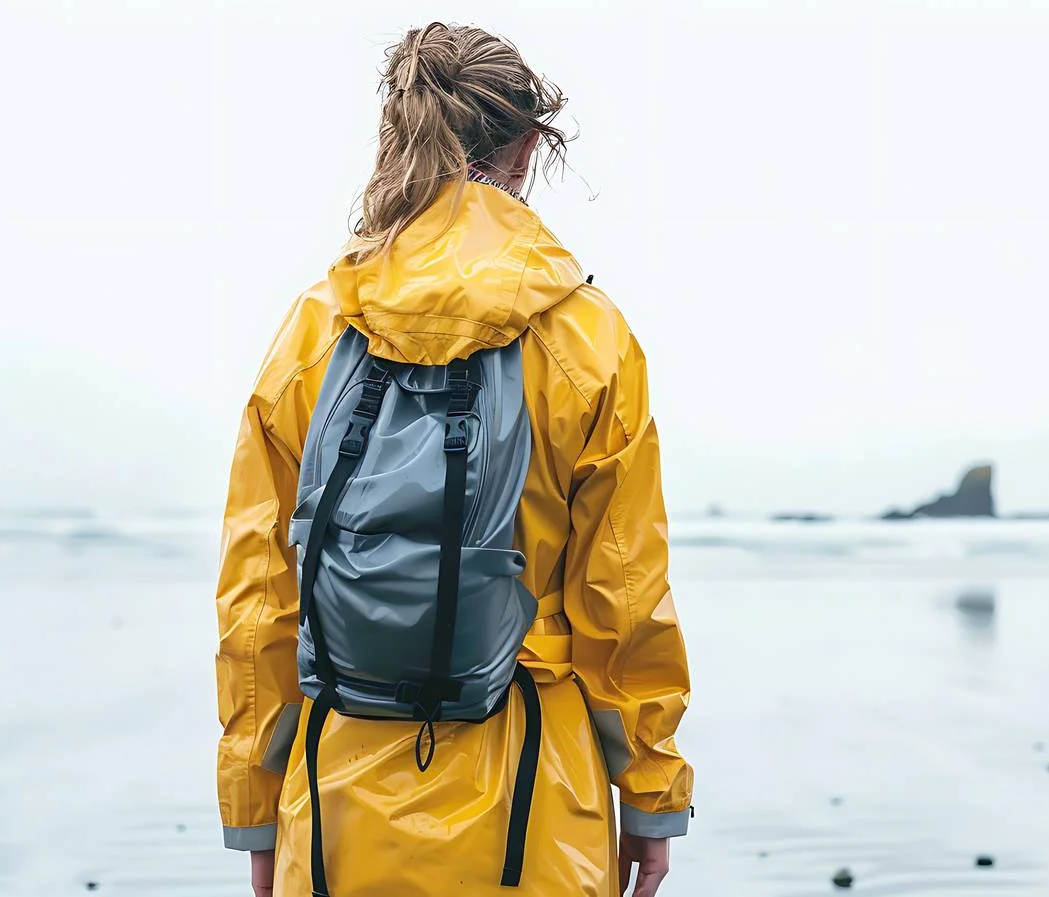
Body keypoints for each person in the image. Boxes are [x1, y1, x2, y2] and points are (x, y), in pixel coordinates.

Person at [213, 23, 692, 897]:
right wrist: (651, 796)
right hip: (536, 809)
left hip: (335, 802)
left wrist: (253, 803)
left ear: (401, 136)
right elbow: (623, 597)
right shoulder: (588, 335)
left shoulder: (318, 327)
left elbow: (258, 598)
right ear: (524, 144)